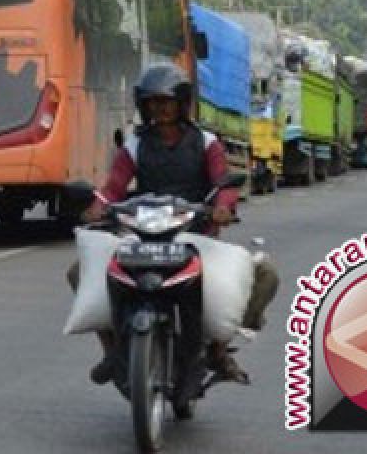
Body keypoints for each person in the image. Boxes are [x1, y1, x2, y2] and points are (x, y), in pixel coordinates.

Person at [69, 63, 278, 391]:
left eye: (167, 101)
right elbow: (114, 187)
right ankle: (112, 352)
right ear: (144, 105)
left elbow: (224, 182)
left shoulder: (206, 142)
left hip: (196, 234)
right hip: (144, 233)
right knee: (80, 271)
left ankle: (219, 351)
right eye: (153, 102)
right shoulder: (135, 145)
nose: (161, 108)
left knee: (265, 276)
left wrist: (223, 206)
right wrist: (96, 207)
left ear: (182, 103)